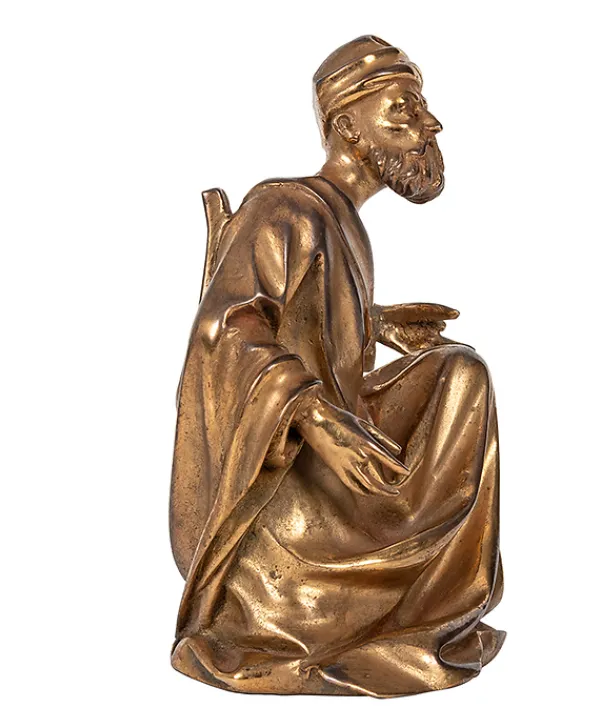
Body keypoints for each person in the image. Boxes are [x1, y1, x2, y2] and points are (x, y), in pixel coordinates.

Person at [170, 35, 504, 697]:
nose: (430, 125)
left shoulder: (342, 221)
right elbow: (227, 326)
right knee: (463, 376)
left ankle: (422, 598)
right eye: (403, 109)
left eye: (422, 107)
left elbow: (304, 322)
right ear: (348, 126)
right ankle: (353, 598)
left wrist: (373, 324)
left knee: (458, 374)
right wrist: (317, 417)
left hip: (328, 462)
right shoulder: (285, 205)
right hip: (286, 496)